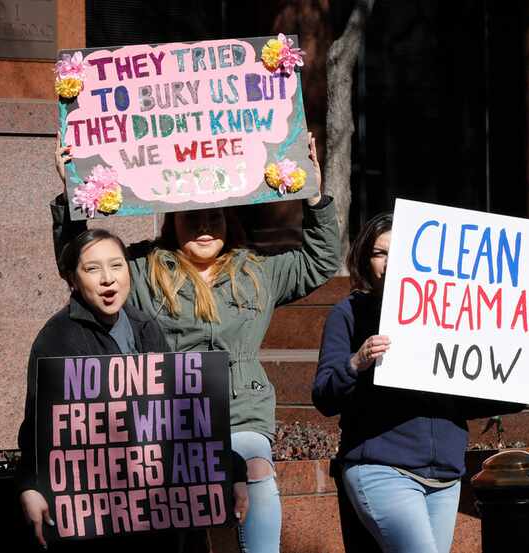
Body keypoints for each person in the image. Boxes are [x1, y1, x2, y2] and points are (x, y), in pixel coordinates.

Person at [53, 134, 340, 553]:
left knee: (256, 468)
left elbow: (321, 259)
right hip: (171, 415)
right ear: (173, 221)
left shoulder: (259, 271)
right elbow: (81, 265)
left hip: (242, 411)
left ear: (228, 222)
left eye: (214, 218)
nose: (205, 228)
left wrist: (313, 194)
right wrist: (70, 196)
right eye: (193, 218)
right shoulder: (145, 270)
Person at [312, 212, 529, 553]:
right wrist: (356, 363)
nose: (389, 263)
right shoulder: (349, 313)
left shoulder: (449, 311)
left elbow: (466, 398)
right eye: (379, 253)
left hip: (444, 478)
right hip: (383, 470)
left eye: (398, 252)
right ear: (364, 259)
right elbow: (324, 397)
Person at [16, 228, 250, 551]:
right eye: (92, 269)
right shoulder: (57, 338)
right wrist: (30, 486)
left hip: (153, 508)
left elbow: (182, 417)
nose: (108, 279)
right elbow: (38, 428)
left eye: (116, 265)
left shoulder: (145, 325)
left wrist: (234, 470)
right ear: (72, 278)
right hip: (98, 519)